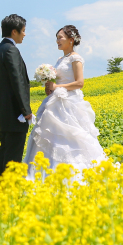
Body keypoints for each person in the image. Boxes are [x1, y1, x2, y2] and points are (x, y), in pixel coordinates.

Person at [23, 25, 107, 180]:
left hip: (70, 104)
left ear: (71, 40)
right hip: (55, 100)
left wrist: (57, 86)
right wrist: (49, 87)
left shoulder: (76, 58)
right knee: (49, 137)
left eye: (60, 37)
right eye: (57, 38)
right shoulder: (60, 60)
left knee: (70, 139)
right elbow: (57, 81)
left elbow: (79, 83)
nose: (57, 41)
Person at [0, 14, 32, 182]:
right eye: (23, 31)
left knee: (5, 151)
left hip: (3, 112)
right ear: (14, 31)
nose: (24, 34)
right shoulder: (11, 50)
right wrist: (26, 110)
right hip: (15, 113)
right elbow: (17, 81)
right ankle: (9, 191)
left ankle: (2, 187)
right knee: (13, 155)